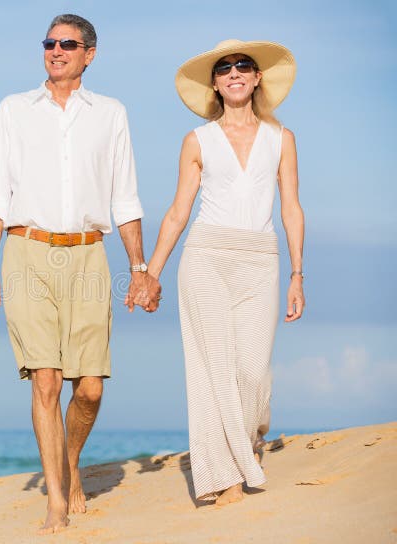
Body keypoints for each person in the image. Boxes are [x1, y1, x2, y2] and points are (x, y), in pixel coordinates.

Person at [0, 13, 156, 534]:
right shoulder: (13, 110)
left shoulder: (111, 114)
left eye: (68, 45)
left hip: (88, 254)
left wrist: (139, 268)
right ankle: (55, 497)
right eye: (50, 43)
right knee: (47, 382)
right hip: (26, 250)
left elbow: (125, 198)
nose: (56, 51)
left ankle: (71, 460)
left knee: (92, 388)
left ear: (89, 54)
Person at [143, 39, 305, 505]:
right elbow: (177, 212)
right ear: (215, 83)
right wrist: (150, 273)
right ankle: (224, 477)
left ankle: (245, 444)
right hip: (207, 257)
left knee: (253, 373)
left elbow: (291, 208)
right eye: (225, 68)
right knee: (213, 369)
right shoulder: (197, 141)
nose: (234, 72)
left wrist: (297, 274)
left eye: (244, 66)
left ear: (257, 79)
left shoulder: (282, 138)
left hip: (261, 259)